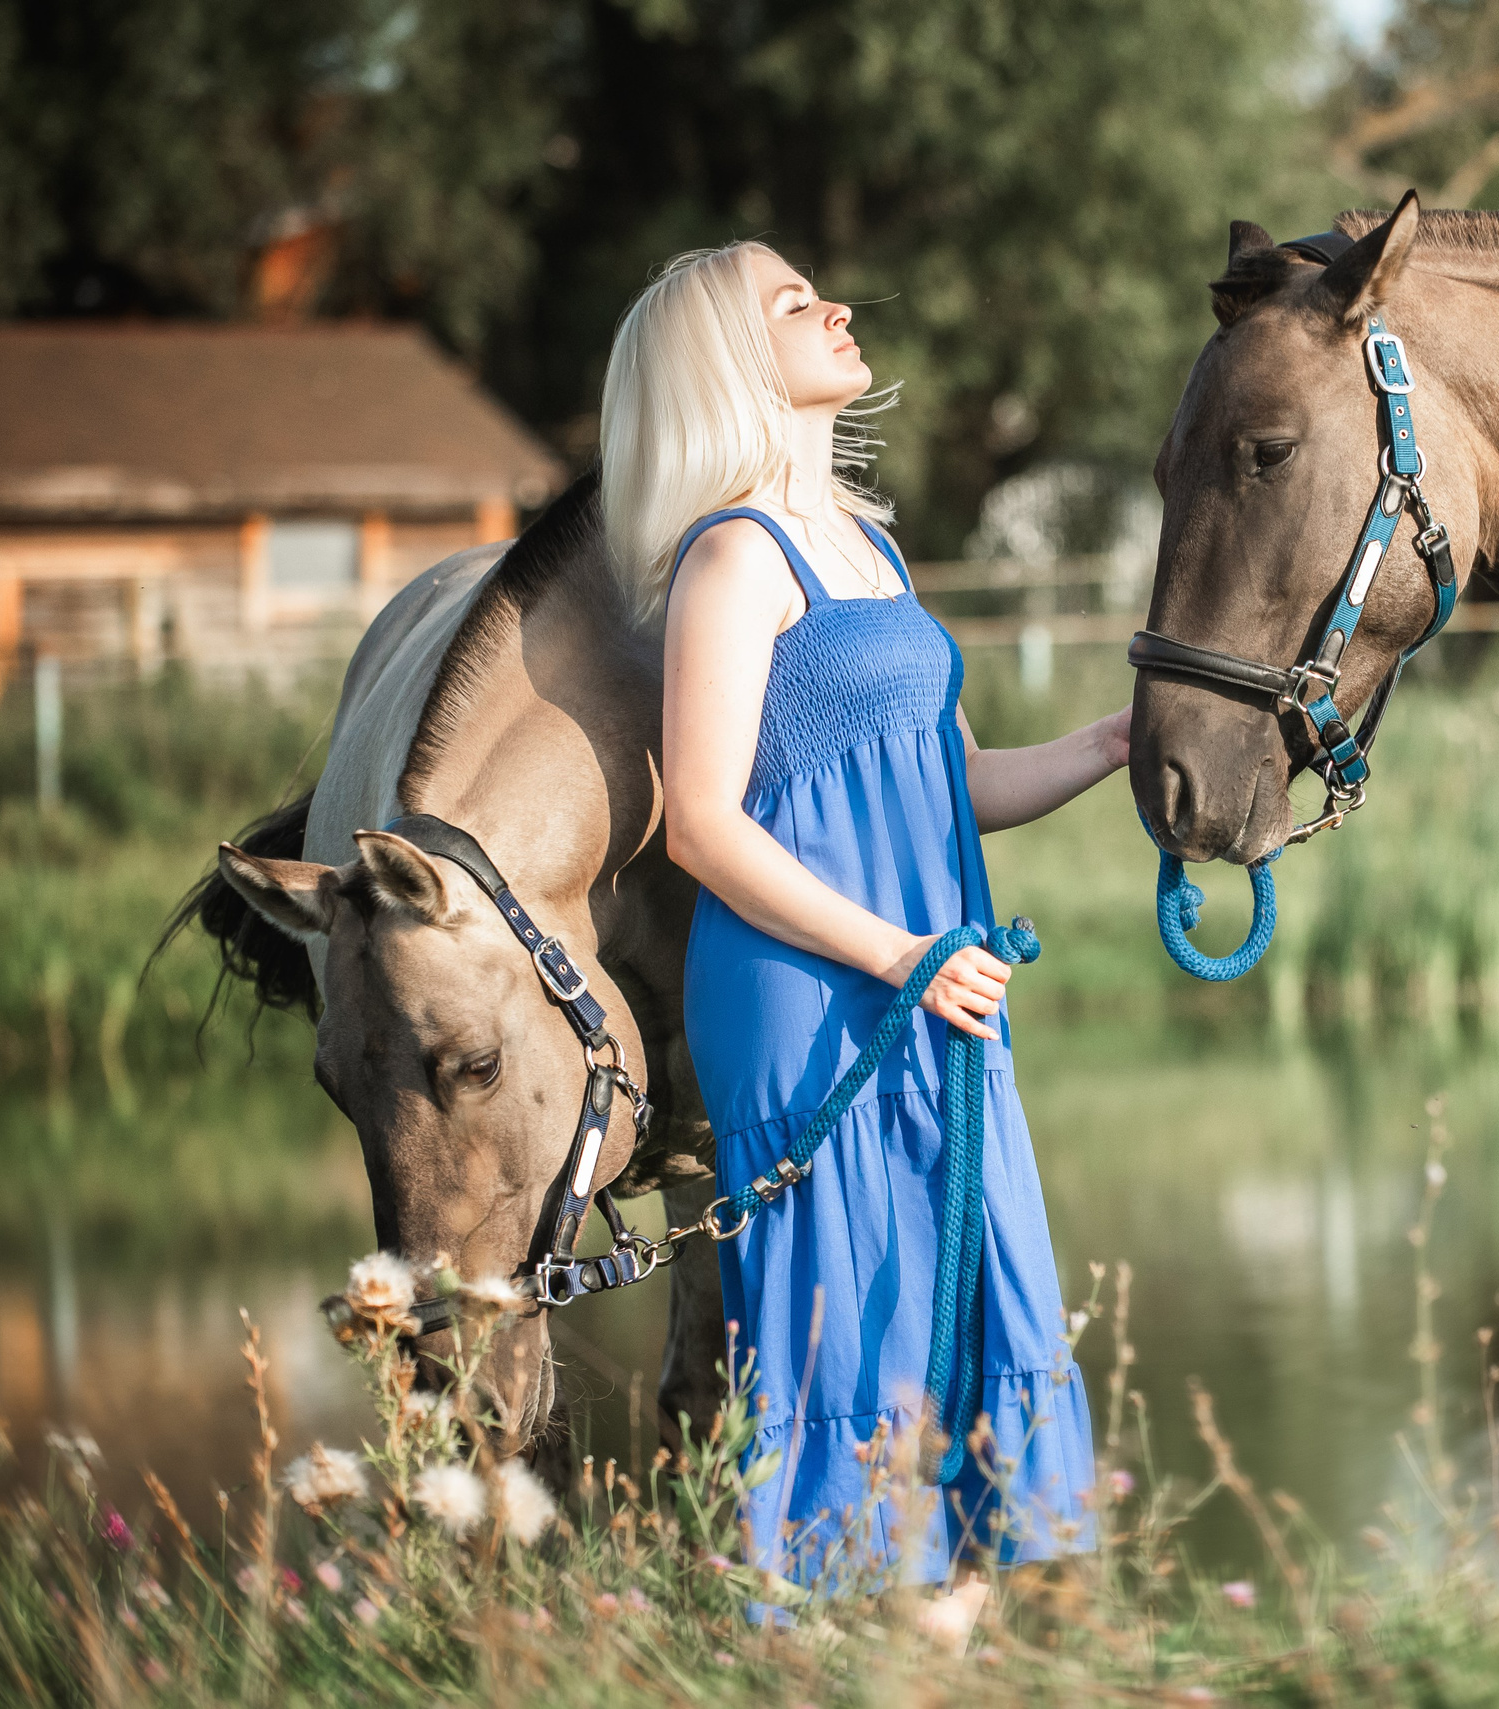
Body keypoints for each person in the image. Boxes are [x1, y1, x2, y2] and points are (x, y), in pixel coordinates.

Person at [600, 241, 1124, 1636]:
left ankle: (925, 1658)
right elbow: (704, 825)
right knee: (865, 1319)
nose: (837, 305)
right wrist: (897, 956)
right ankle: (845, 1644)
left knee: (961, 1306)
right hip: (819, 996)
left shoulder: (871, 551)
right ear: (726, 360)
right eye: (791, 303)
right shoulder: (732, 559)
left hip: (935, 985)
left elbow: (960, 785)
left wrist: (1114, 740)